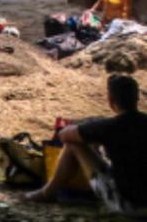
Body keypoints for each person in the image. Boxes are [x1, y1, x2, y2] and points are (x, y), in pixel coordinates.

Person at [26, 74, 147, 215]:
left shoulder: (108, 127)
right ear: (137, 99)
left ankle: (47, 193)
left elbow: (64, 135)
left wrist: (88, 133)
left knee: (73, 144)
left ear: (110, 100)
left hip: (128, 205)